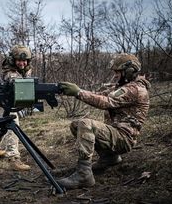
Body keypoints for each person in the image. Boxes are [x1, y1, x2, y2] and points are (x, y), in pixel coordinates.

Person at [57, 53, 151, 189]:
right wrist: (78, 90)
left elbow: (106, 101)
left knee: (85, 124)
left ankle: (84, 175)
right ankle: (109, 158)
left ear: (129, 71)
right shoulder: (124, 86)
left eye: (117, 72)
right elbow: (102, 95)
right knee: (76, 125)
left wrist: (78, 93)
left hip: (124, 139)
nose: (115, 75)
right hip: (116, 134)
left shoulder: (135, 89)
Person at [0, 45, 33, 171]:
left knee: (1, 127)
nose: (22, 63)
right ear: (13, 60)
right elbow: (19, 86)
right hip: (5, 102)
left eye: (25, 61)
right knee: (13, 128)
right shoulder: (10, 73)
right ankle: (14, 158)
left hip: (10, 102)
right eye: (19, 60)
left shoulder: (26, 69)